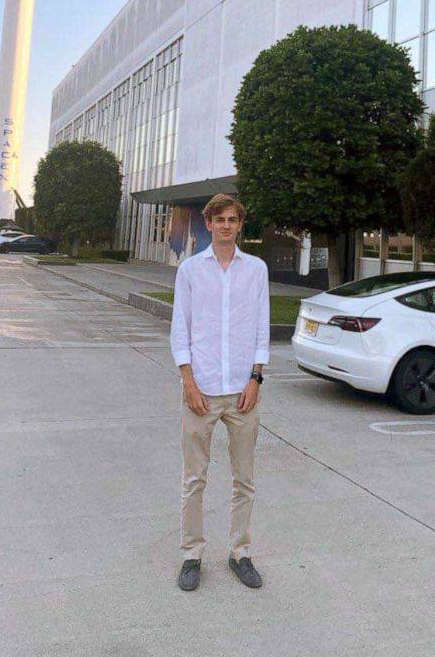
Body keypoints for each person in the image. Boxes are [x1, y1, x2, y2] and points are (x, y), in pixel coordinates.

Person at [170, 193, 270, 592]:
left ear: (240, 224)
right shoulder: (191, 271)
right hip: (202, 391)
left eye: (233, 219)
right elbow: (181, 329)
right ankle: (191, 555)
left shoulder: (256, 270)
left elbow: (262, 328)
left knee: (244, 479)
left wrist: (255, 379)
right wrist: (189, 383)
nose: (227, 225)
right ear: (208, 224)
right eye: (220, 219)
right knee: (194, 478)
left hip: (243, 394)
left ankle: (240, 553)